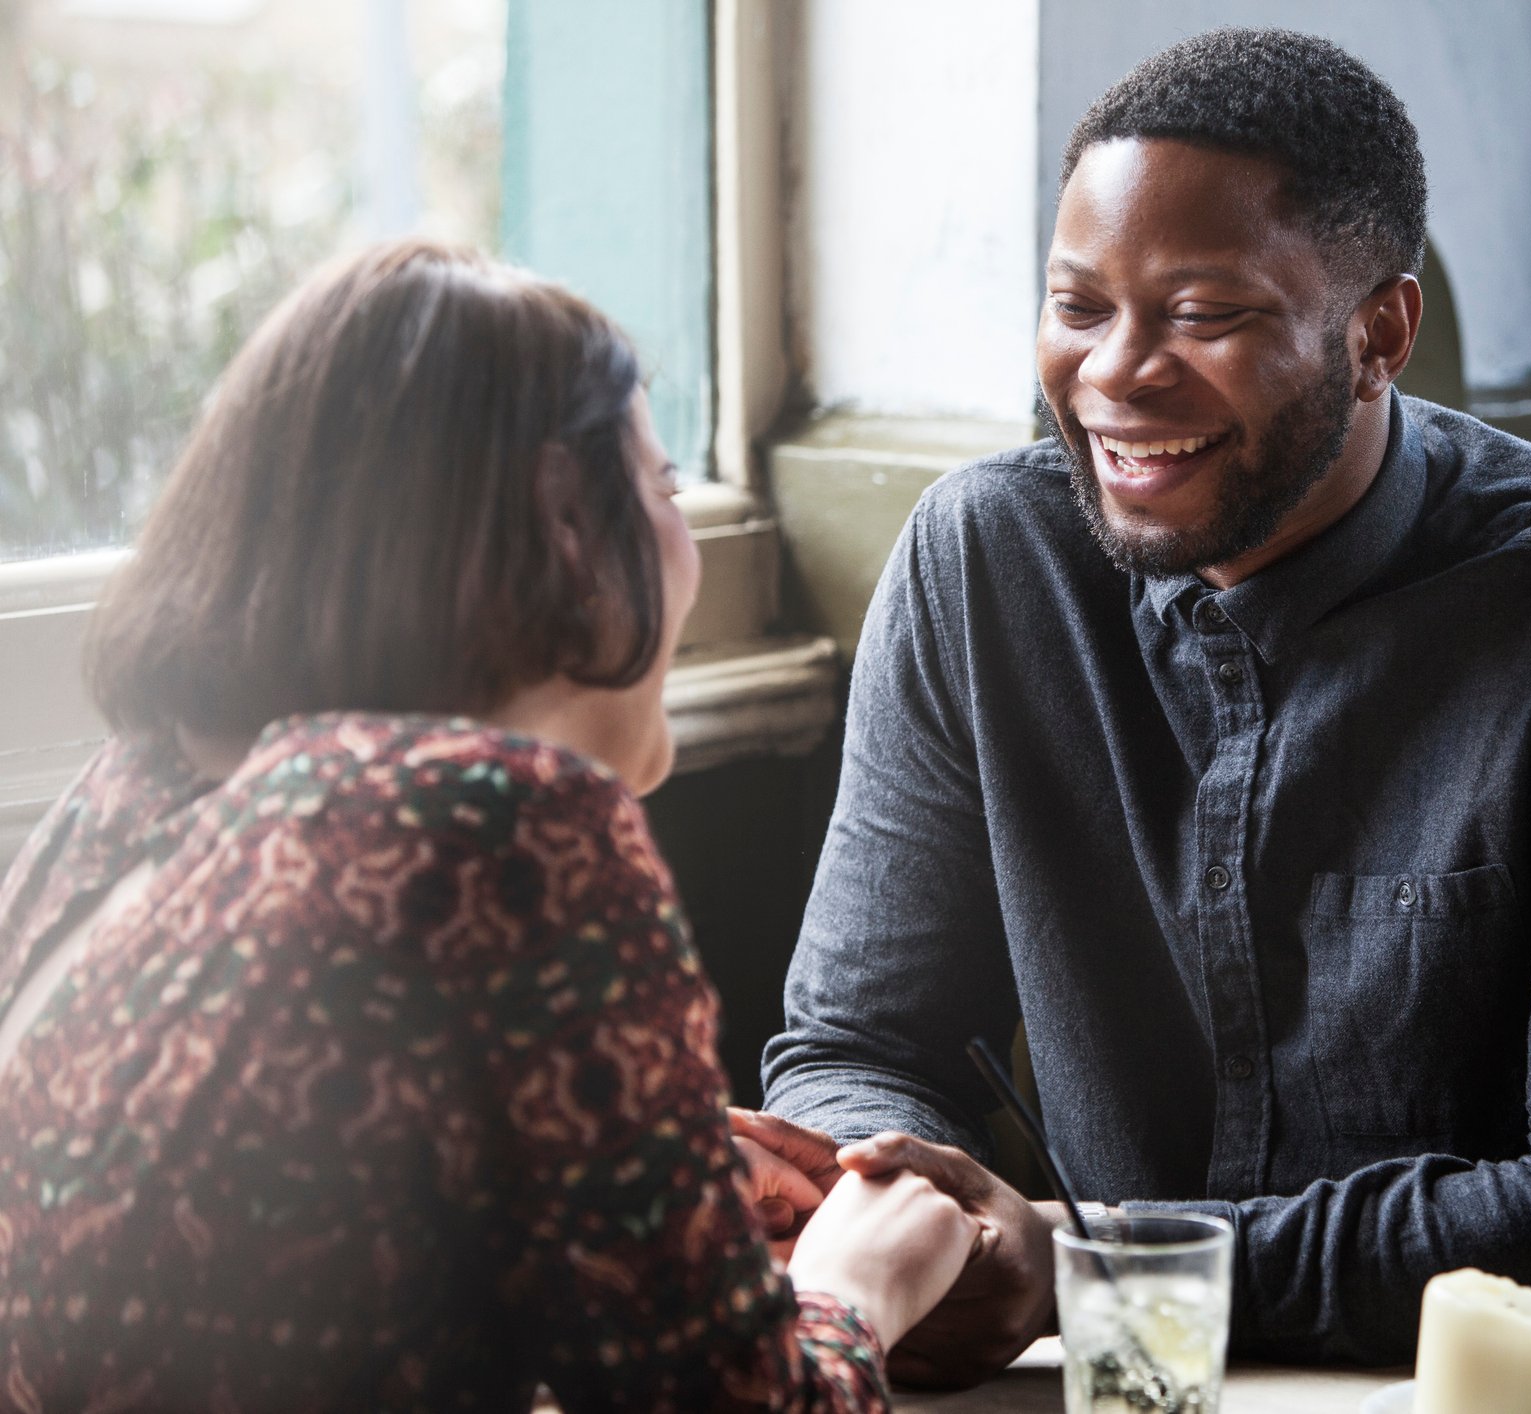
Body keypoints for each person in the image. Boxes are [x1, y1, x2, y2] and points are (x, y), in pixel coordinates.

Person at [740, 26, 1531, 1391]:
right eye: (1079, 305)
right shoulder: (981, 566)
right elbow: (852, 1045)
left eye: (1205, 315)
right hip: (1141, 1377)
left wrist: (1095, 1260)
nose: (1118, 371)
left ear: (1378, 334)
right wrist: (909, 1199)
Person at [0, 241, 978, 1412]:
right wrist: (856, 1285)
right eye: (664, 490)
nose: (686, 551)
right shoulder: (501, 824)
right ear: (570, 527)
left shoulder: (134, 789)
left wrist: (639, 1152)